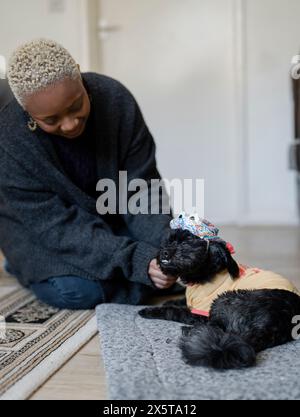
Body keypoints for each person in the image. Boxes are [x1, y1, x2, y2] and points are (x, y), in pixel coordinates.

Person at [0, 38, 181, 309]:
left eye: (75, 106)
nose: (71, 124)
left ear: (78, 71)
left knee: (174, 250)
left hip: (105, 218)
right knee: (77, 292)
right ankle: (19, 264)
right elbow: (56, 227)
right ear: (27, 111)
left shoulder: (116, 100)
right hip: (39, 230)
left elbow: (140, 189)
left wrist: (165, 251)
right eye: (51, 120)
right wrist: (139, 261)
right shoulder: (9, 140)